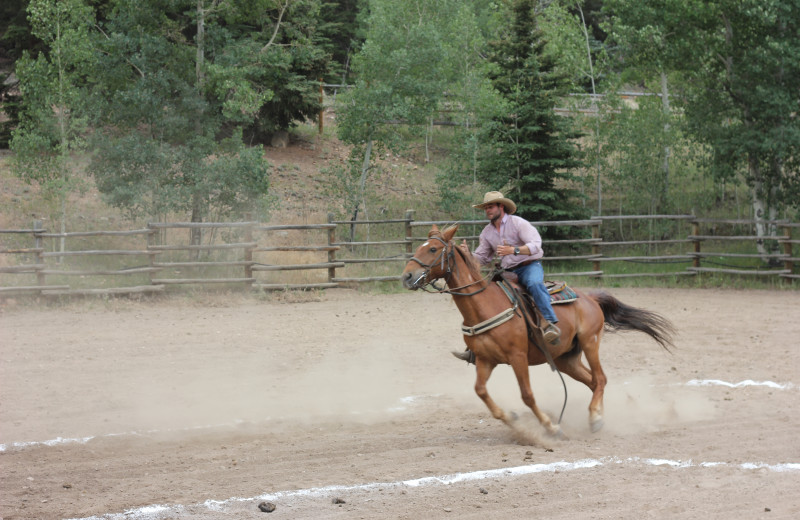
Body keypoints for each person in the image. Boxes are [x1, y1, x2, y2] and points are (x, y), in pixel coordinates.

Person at [459, 191, 561, 344]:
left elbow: (536, 245)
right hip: (507, 271)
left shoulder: (518, 223)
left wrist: (514, 250)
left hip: (529, 266)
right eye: (486, 208)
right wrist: (468, 255)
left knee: (534, 283)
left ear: (501, 207)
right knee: (487, 293)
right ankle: (481, 338)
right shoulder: (487, 232)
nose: (488, 210)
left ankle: (550, 324)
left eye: (491, 207)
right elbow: (483, 258)